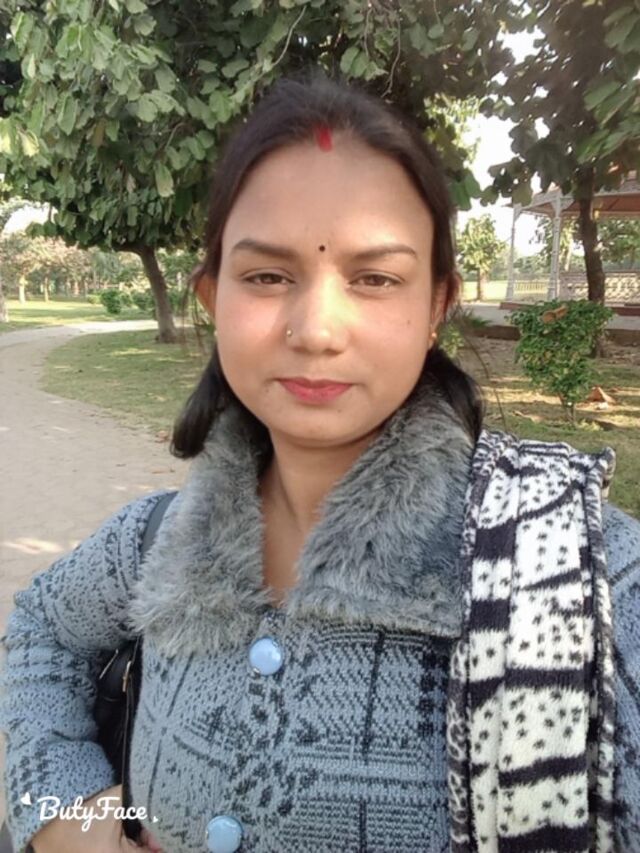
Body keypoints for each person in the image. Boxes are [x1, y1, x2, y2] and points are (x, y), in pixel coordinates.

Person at [1, 68, 639, 853]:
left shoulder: (583, 575)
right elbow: (40, 631)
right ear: (213, 298)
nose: (316, 329)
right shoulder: (155, 540)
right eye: (268, 276)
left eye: (375, 278)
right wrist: (68, 818)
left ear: (437, 305)